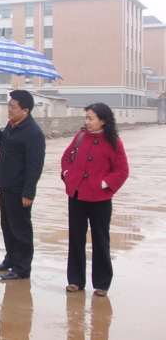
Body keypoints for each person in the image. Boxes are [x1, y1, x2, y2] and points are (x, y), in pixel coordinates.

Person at [60, 103, 129, 297]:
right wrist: (67, 174)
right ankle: (75, 281)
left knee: (100, 240)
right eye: (86, 118)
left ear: (103, 121)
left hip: (100, 199)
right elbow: (66, 158)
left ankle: (102, 284)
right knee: (76, 238)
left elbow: (122, 170)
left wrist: (103, 184)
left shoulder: (114, 143)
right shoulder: (80, 136)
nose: (87, 122)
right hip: (77, 195)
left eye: (91, 118)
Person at [0, 90, 45, 280]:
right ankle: (10, 259)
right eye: (9, 105)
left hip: (20, 189)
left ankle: (22, 268)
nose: (9, 109)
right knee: (8, 226)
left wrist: (28, 192)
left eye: (13, 106)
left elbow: (35, 166)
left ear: (25, 110)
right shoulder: (13, 126)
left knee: (21, 229)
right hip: (7, 185)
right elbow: (7, 144)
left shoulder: (33, 132)